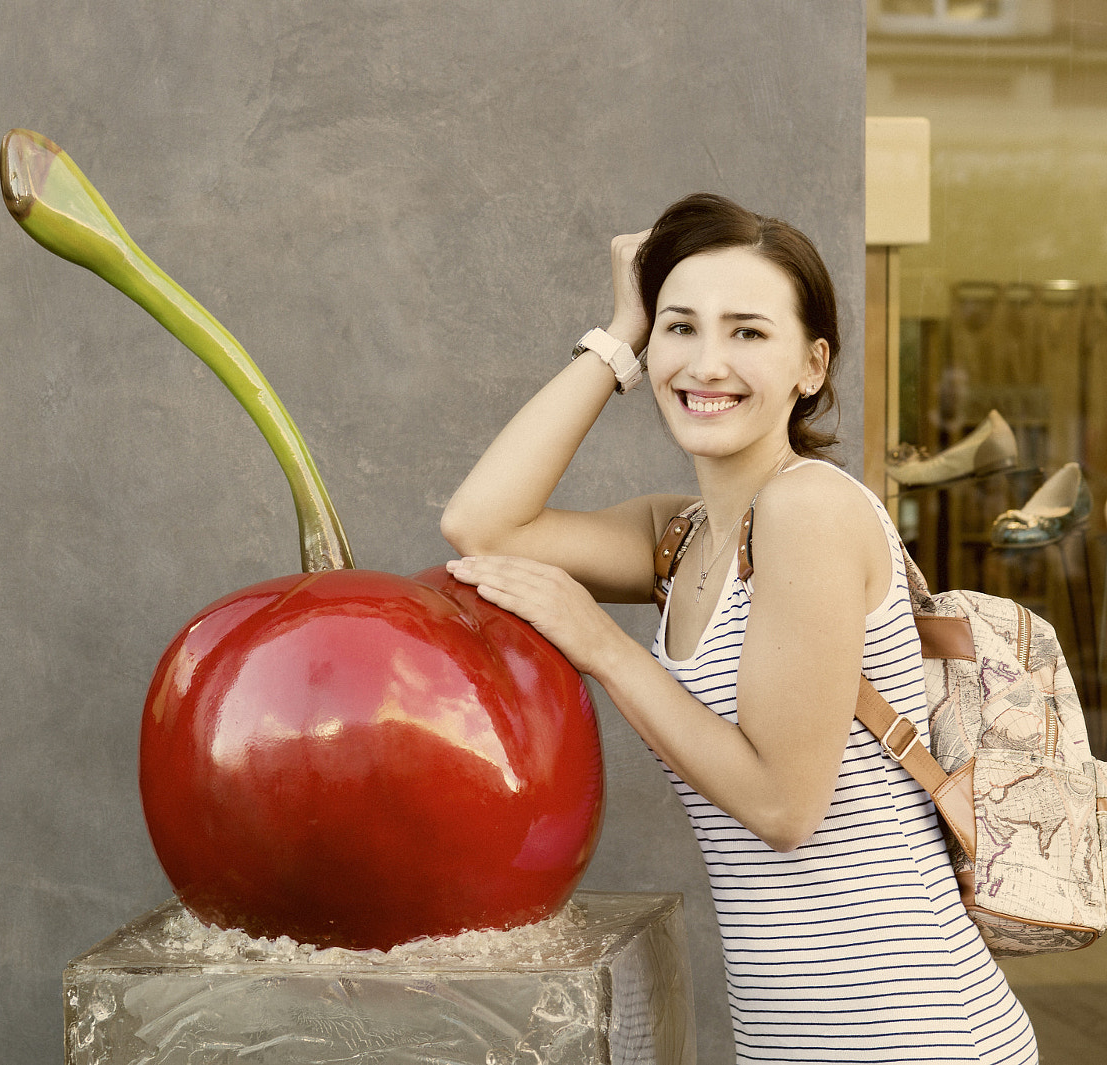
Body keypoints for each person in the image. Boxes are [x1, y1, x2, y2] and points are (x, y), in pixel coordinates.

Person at [441, 193, 1038, 1063]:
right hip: (797, 1030)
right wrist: (618, 333)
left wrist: (601, 644)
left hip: (908, 1030)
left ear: (812, 363)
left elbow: (782, 806)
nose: (706, 361)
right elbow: (481, 525)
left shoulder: (810, 510)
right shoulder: (679, 537)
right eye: (681, 328)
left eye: (749, 333)